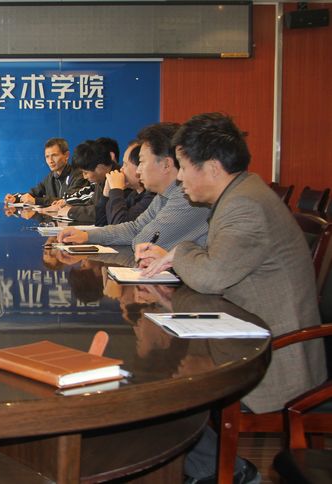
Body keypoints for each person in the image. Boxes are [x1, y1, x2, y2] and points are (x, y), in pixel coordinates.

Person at [136, 112, 327, 483]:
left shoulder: (245, 205)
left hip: (274, 353)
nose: (179, 177)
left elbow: (210, 276)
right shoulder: (241, 193)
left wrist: (181, 251)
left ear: (211, 167)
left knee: (161, 387)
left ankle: (230, 474)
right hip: (246, 331)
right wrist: (183, 256)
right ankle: (207, 469)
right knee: (164, 376)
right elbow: (216, 267)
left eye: (183, 167)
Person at [58, 122, 210, 250]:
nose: (138, 170)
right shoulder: (163, 195)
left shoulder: (187, 198)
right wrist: (87, 235)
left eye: (142, 162)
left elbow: (143, 241)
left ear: (166, 164)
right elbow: (134, 227)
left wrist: (116, 191)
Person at [4, 138, 87, 206]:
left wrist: (36, 201)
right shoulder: (50, 177)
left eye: (54, 155)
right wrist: (16, 198)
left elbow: (69, 200)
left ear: (66, 155)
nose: (50, 161)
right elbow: (33, 193)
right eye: (47, 157)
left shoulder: (79, 175)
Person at [54, 139, 117, 224]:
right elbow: (91, 204)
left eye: (86, 172)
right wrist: (70, 206)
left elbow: (103, 213)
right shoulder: (101, 180)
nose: (84, 177)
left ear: (100, 167)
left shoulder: (118, 181)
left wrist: (72, 211)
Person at [98, 141, 156, 225]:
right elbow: (101, 223)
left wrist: (116, 190)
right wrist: (106, 195)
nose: (121, 169)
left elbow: (119, 227)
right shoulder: (133, 195)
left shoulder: (152, 197)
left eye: (125, 164)